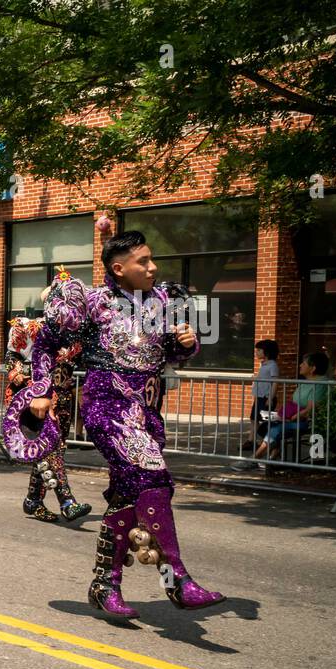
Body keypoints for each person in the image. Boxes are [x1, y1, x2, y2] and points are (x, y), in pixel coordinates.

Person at [30, 231, 224, 619]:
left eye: (152, 259)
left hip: (147, 412)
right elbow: (45, 343)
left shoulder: (164, 300)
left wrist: (186, 343)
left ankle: (105, 586)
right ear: (119, 269)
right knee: (154, 480)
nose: (152, 267)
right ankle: (177, 579)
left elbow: (171, 352)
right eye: (143, 261)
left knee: (129, 498)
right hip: (108, 408)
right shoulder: (93, 302)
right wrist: (41, 390)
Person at [4, 315, 91, 522]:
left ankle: (33, 500)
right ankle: (67, 501)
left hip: (62, 396)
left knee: (54, 448)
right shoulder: (28, 326)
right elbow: (11, 356)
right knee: (49, 448)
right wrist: (18, 374)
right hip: (35, 396)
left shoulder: (78, 328)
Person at [248, 352, 330, 465]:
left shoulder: (320, 384)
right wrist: (282, 414)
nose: (300, 365)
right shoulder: (305, 382)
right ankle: (273, 457)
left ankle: (254, 459)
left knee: (275, 430)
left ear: (313, 368)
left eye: (304, 363)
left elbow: (310, 410)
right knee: (264, 427)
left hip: (306, 421)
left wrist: (290, 418)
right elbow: (292, 401)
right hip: (294, 417)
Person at [245, 340, 280, 449]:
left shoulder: (273, 365)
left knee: (266, 421)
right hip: (259, 397)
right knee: (253, 418)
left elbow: (275, 382)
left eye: (259, 350)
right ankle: (251, 441)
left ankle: (270, 443)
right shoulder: (264, 364)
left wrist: (270, 398)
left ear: (267, 352)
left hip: (266, 397)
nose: (256, 352)